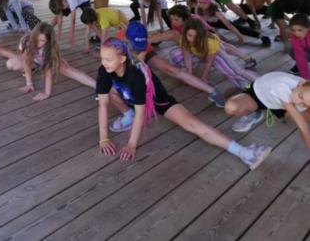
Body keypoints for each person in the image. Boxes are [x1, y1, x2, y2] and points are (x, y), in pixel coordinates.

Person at [95, 37, 271, 169]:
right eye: (102, 58)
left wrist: (131, 145)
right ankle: (128, 114)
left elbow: (142, 113)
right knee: (104, 90)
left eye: (108, 59)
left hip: (158, 101)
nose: (104, 63)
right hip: (131, 97)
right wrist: (104, 139)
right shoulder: (105, 70)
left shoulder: (136, 75)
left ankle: (244, 152)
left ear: (122, 59)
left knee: (192, 124)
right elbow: (103, 104)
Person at [121, 22, 225, 111]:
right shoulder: (119, 40)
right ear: (126, 37)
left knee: (172, 70)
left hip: (144, 54)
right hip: (125, 59)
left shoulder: (142, 38)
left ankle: (212, 91)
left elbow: (143, 53)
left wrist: (140, 57)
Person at [6, 22, 95, 101]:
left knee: (68, 70)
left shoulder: (49, 49)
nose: (37, 43)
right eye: (36, 38)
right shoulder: (26, 41)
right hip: (35, 61)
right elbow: (26, 61)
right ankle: (35, 68)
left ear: (48, 41)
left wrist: (47, 93)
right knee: (10, 64)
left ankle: (97, 85)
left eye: (42, 40)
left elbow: (48, 72)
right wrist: (29, 83)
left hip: (47, 61)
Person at [150, 4, 258, 70]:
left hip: (206, 36)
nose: (173, 22)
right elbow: (177, 36)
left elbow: (208, 31)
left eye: (176, 19)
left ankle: (247, 58)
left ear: (185, 18)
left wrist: (219, 38)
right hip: (191, 41)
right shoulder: (176, 25)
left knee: (224, 46)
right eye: (171, 20)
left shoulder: (195, 20)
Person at [225, 72, 309, 152]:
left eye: (304, 104)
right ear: (300, 84)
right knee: (231, 107)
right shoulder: (281, 86)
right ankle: (254, 113)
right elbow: (302, 126)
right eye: (300, 96)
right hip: (259, 94)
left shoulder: (303, 96)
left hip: (279, 104)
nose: (298, 101)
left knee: (302, 114)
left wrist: (302, 105)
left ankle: (285, 109)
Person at [170, 18, 259, 90]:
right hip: (200, 53)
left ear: (202, 34)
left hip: (216, 52)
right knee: (175, 54)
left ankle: (256, 83)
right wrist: (189, 77)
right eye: (190, 35)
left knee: (235, 71)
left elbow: (209, 62)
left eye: (197, 36)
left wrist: (204, 77)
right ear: (185, 33)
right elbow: (187, 59)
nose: (193, 39)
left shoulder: (210, 42)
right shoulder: (184, 40)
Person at [196, 0, 271, 46]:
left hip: (218, 22)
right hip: (206, 24)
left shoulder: (216, 11)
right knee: (214, 37)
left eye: (204, 3)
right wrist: (220, 37)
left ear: (209, 3)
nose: (201, 5)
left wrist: (240, 37)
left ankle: (261, 36)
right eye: (200, 2)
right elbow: (202, 24)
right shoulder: (198, 8)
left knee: (238, 28)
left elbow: (229, 25)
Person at [289, 14, 310, 79]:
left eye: (300, 30)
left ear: (308, 28)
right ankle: (299, 66)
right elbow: (300, 57)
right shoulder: (294, 38)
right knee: (288, 47)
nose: (296, 33)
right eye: (293, 30)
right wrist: (306, 77)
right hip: (307, 51)